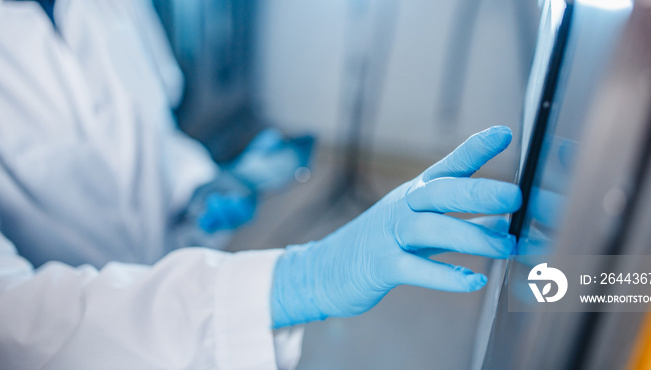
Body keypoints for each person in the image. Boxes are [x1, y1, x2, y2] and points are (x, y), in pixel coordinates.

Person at [0, 0, 522, 369]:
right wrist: (302, 278)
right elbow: (16, 323)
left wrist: (202, 185)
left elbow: (153, 129)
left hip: (175, 284)